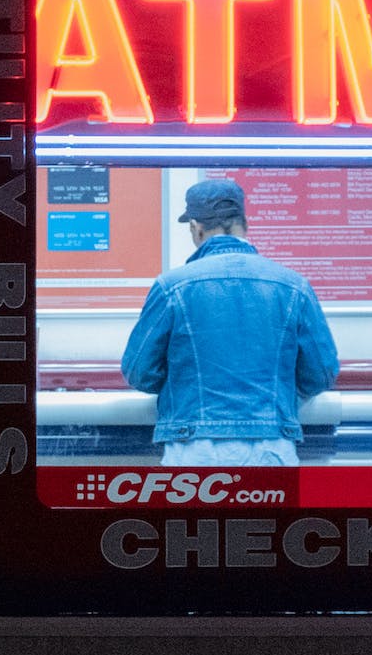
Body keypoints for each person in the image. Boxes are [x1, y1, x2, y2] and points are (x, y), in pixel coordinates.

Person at [121, 177, 339, 467]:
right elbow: (321, 374)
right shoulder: (293, 286)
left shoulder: (171, 286)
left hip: (193, 448)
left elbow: (139, 372)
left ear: (196, 228)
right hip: (272, 447)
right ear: (243, 223)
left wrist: (183, 381)